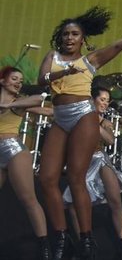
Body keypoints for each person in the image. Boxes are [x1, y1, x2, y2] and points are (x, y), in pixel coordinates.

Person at [37, 6, 122, 260]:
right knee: (46, 178)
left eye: (74, 34)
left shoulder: (90, 60)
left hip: (82, 114)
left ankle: (87, 240)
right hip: (60, 115)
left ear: (82, 39)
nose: (69, 38)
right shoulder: (52, 56)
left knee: (76, 177)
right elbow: (43, 80)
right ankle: (62, 235)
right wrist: (65, 71)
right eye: (65, 34)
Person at [62, 86, 122, 259]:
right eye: (102, 99)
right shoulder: (78, 117)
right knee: (73, 205)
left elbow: (109, 140)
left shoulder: (104, 121)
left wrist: (95, 121)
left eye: (107, 101)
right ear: (91, 100)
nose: (105, 103)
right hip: (82, 161)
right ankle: (83, 244)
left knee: (115, 201)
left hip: (100, 159)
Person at [0, 66, 54, 259]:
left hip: (13, 150)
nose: (18, 83)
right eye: (14, 79)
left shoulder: (18, 102)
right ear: (2, 81)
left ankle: (44, 246)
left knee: (28, 199)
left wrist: (7, 106)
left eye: (21, 81)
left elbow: (39, 98)